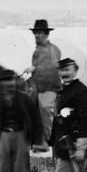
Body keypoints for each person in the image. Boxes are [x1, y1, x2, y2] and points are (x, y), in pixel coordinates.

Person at [28, 19, 63, 147]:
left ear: (46, 34)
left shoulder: (53, 50)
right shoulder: (36, 51)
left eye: (39, 33)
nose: (36, 35)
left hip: (50, 86)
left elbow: (54, 67)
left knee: (45, 106)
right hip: (36, 85)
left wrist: (36, 69)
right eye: (35, 33)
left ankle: (45, 139)